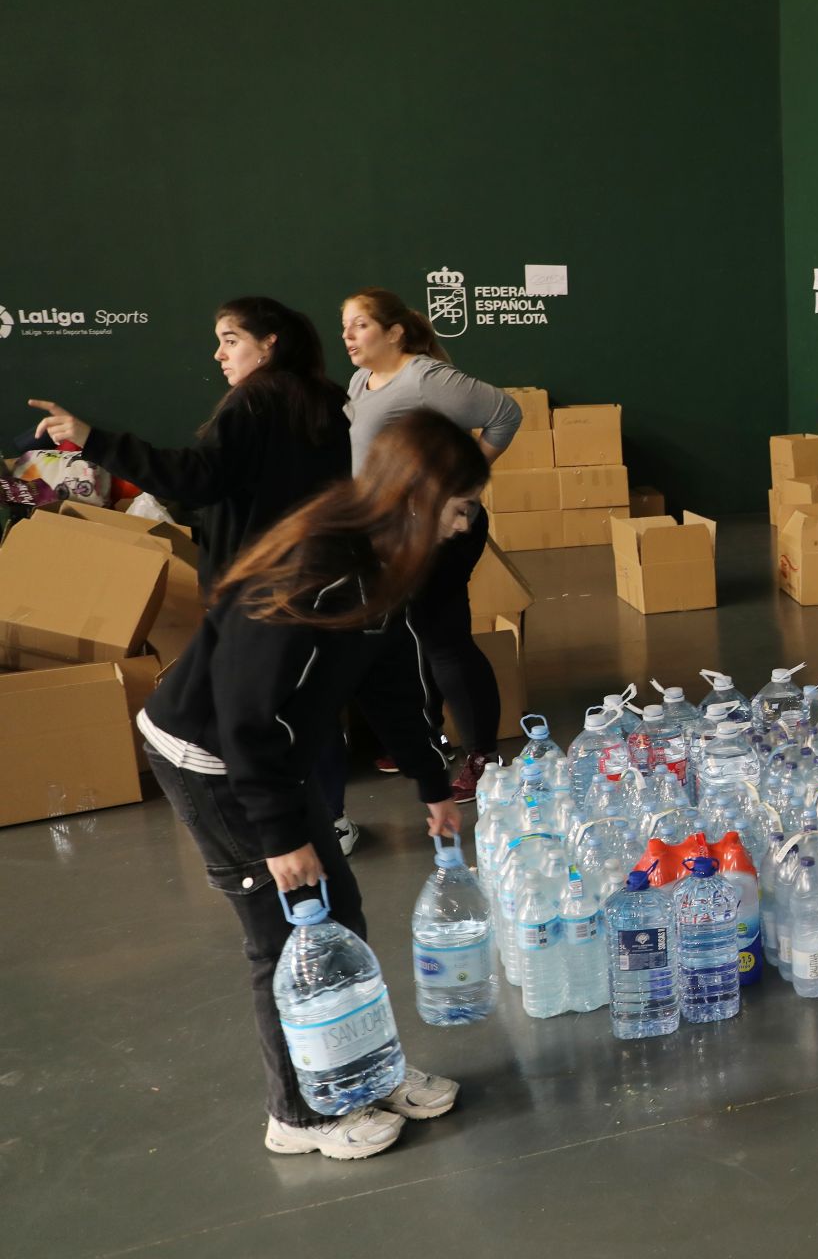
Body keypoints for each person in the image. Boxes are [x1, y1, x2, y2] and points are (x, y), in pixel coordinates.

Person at [140, 410, 486, 1158]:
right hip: (215, 760)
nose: (465, 526)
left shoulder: (386, 562)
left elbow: (390, 679)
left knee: (339, 919)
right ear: (419, 499)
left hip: (267, 756)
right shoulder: (317, 567)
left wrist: (433, 782)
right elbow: (241, 710)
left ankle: (364, 1075)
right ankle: (296, 1114)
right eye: (460, 509)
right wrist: (282, 835)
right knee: (284, 938)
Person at [28, 298, 364, 854]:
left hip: (261, 586)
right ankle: (327, 820)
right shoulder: (323, 400)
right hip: (315, 579)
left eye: (231, 339)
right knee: (307, 704)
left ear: (270, 342)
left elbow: (197, 477)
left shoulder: (257, 400)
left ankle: (290, 833)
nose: (219, 353)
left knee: (259, 712)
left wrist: (94, 439)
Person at [340, 288, 521, 802]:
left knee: (443, 640)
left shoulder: (425, 377)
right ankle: (427, 739)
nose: (348, 336)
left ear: (394, 332)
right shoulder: (362, 380)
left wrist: (460, 488)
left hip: (439, 532)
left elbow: (506, 413)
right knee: (410, 636)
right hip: (388, 534)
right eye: (346, 327)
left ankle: (483, 755)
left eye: (360, 325)